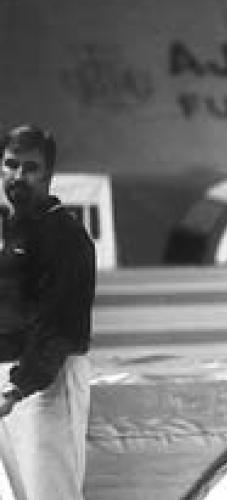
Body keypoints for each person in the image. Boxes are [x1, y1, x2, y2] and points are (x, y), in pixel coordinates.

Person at [0, 124, 96, 500]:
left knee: (49, 493)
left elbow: (60, 323)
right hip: (10, 376)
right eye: (11, 165)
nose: (18, 176)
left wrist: (19, 387)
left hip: (45, 383)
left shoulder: (65, 236)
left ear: (48, 174)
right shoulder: (11, 229)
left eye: (30, 168)